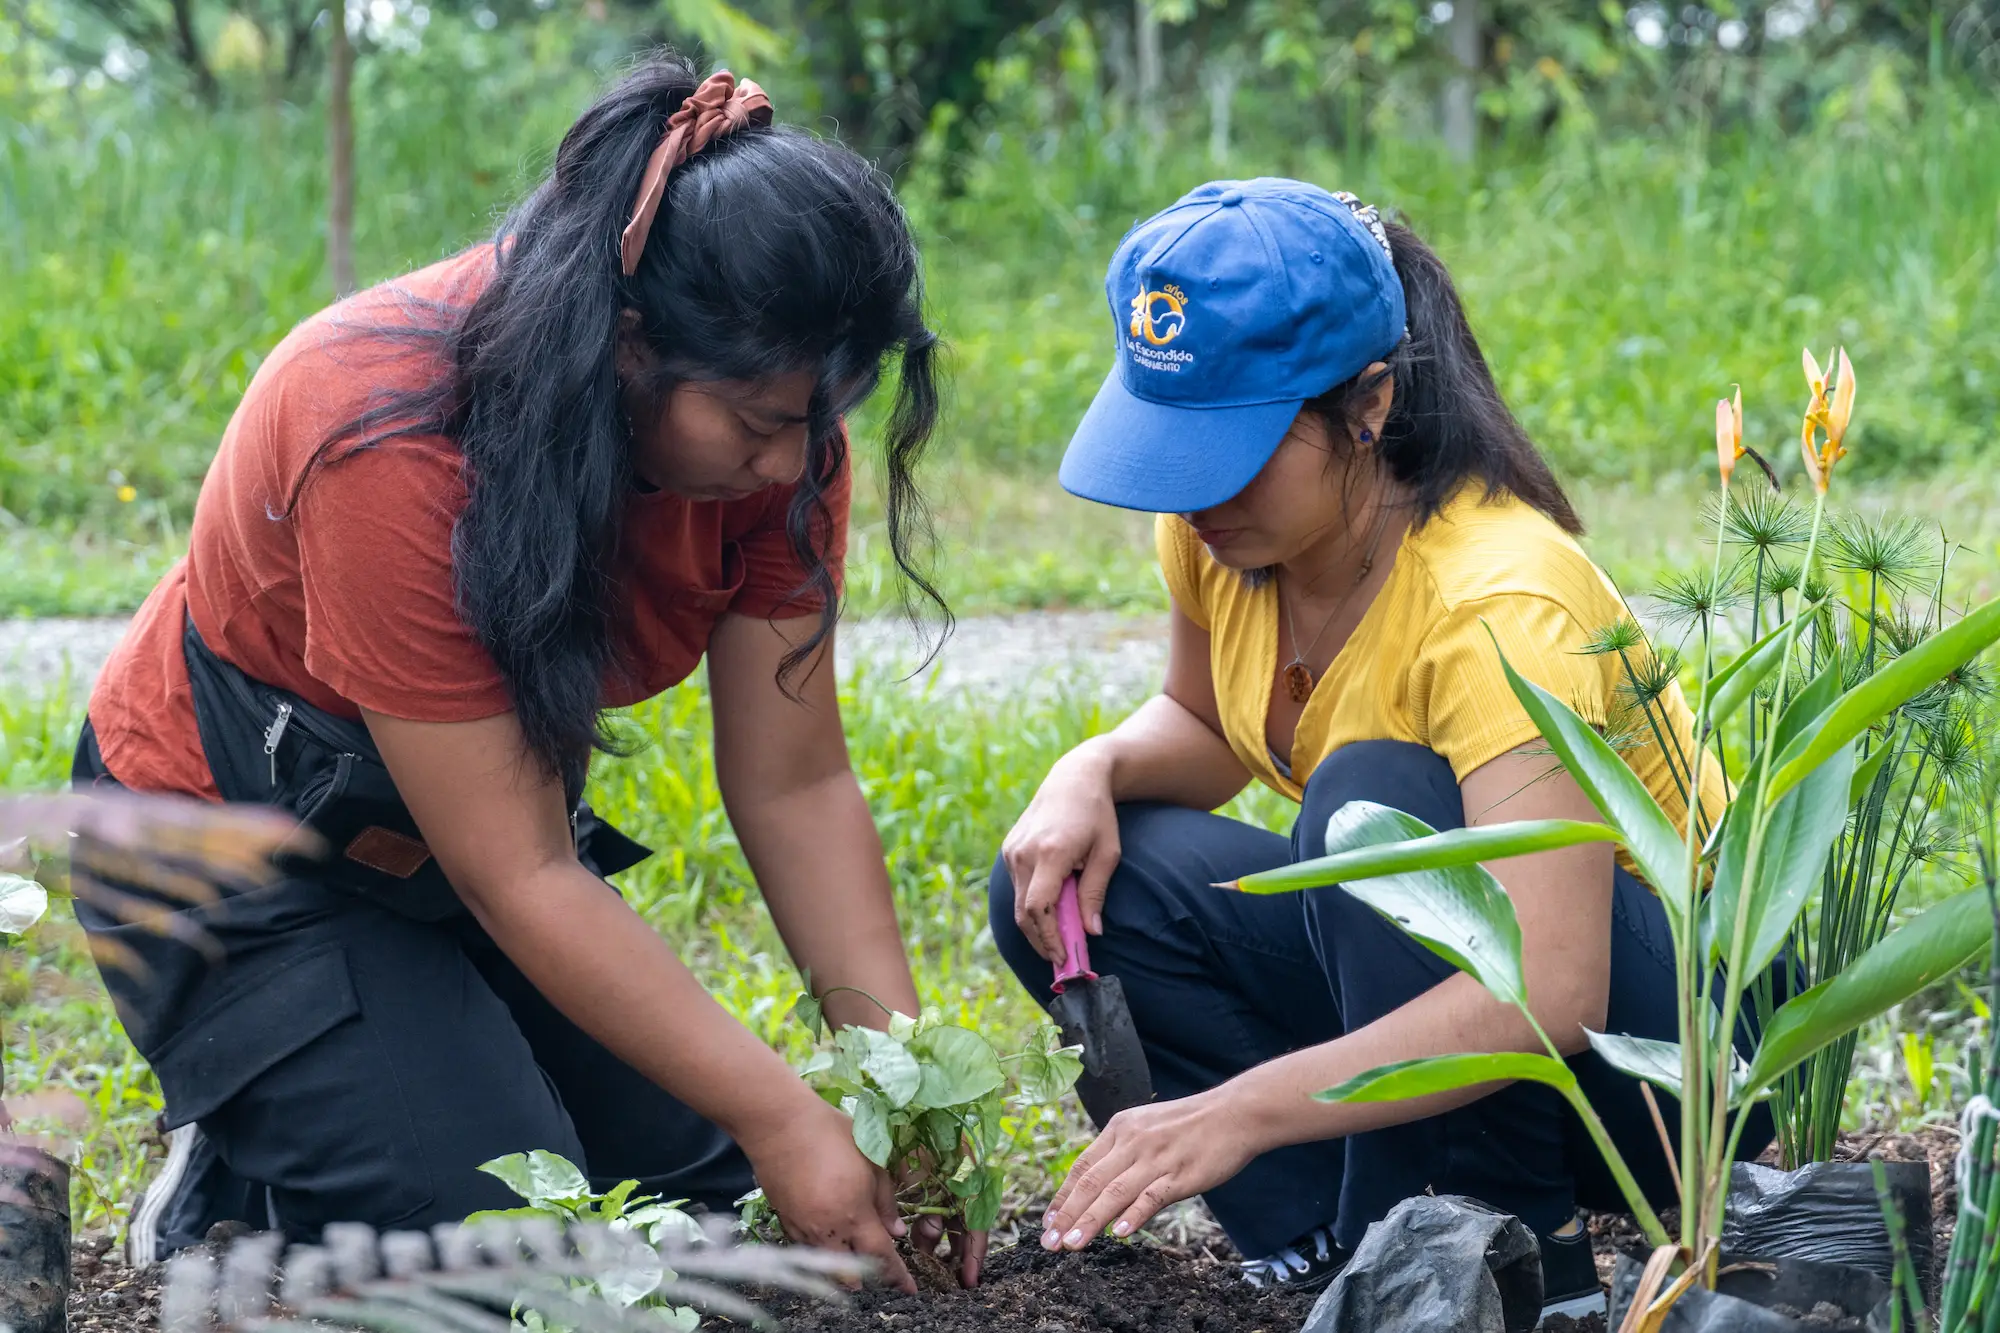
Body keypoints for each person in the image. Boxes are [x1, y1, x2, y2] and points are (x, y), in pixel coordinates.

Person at [76, 53, 974, 1291]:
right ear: (625, 342)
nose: (790, 468)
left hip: (446, 845)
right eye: (761, 424)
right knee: (520, 1269)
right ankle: (238, 1184)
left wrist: (899, 1099)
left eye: (818, 425)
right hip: (225, 846)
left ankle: (403, 1060)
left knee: (690, 1212)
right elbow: (522, 873)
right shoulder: (384, 429)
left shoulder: (778, 439)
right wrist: (782, 1115)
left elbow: (796, 786)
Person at [990, 178, 1762, 1323]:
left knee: (1369, 800)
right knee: (1085, 891)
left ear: (1368, 403)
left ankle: (1505, 1247)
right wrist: (1088, 769)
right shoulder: (1220, 526)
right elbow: (1207, 731)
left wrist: (1239, 1105)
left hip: (1667, 1058)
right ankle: (1325, 1252)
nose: (1191, 490)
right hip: (1469, 988)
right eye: (1171, 444)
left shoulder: (1499, 598)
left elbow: (1546, 989)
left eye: (1231, 446)